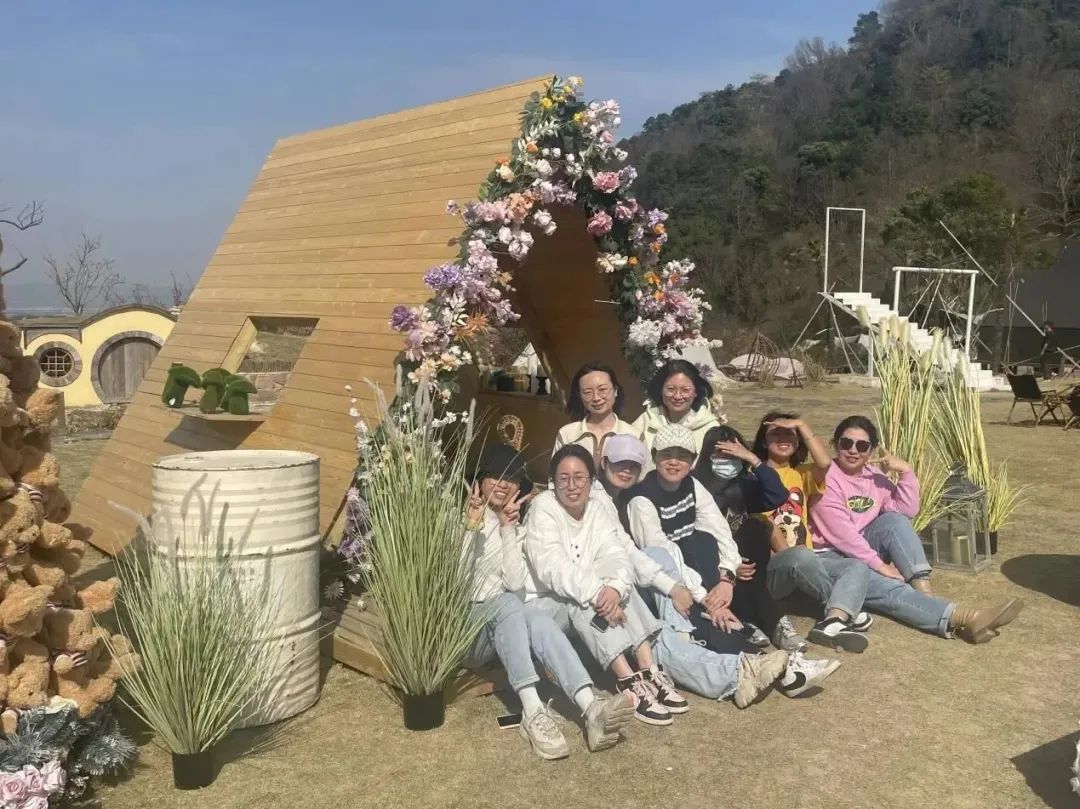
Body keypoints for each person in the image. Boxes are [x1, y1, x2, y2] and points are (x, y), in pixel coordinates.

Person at [599, 433, 834, 702]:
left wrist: (727, 578)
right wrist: (706, 599)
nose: (674, 462)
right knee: (703, 596)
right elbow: (662, 554)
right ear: (654, 458)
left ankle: (771, 663)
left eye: (682, 456)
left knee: (708, 541)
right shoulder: (641, 499)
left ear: (693, 460)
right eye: (666, 455)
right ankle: (779, 669)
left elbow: (719, 529)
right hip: (664, 582)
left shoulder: (692, 485)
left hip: (689, 575)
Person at [461, 444, 635, 759]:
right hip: (468, 630)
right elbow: (455, 578)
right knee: (509, 604)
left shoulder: (512, 525)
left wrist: (507, 530)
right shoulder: (460, 518)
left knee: (541, 614)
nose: (504, 484)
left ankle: (591, 708)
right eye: (496, 476)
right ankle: (532, 709)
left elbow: (515, 582)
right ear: (480, 479)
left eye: (512, 478)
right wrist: (471, 526)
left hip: (505, 623)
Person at [811, 416, 1024, 643]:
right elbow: (843, 536)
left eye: (862, 446)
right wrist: (881, 566)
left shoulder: (873, 477)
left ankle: (925, 595)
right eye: (846, 443)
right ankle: (966, 618)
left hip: (861, 548)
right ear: (835, 444)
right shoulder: (824, 477)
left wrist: (906, 471)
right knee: (886, 587)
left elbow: (906, 510)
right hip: (829, 556)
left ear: (871, 451)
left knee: (894, 521)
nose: (853, 450)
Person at [524, 444, 687, 726]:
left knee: (619, 587)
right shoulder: (544, 508)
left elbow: (616, 554)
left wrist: (614, 589)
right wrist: (600, 593)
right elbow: (553, 568)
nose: (572, 486)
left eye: (580, 478)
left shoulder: (597, 507)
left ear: (591, 480)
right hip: (544, 604)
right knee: (583, 598)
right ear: (553, 482)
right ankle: (626, 679)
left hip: (582, 591)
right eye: (564, 478)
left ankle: (648, 668)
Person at [751, 412, 874, 652]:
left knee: (856, 566)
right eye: (776, 434)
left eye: (790, 434)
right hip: (773, 567)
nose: (783, 438)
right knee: (800, 556)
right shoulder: (754, 476)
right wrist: (788, 556)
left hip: (808, 563)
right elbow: (763, 526)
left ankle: (833, 621)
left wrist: (801, 424)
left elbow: (825, 463)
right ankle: (843, 607)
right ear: (764, 442)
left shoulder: (801, 474)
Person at [694, 425, 806, 652]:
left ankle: (755, 622)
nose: (727, 460)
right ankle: (769, 620)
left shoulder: (743, 484)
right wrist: (728, 566)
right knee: (730, 551)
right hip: (711, 565)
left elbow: (778, 495)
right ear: (708, 455)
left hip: (747, 567)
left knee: (755, 528)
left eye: (733, 454)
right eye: (721, 454)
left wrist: (753, 460)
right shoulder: (695, 486)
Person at [632, 359, 720, 472]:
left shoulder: (711, 428)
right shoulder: (645, 421)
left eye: (685, 390)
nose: (677, 396)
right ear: (660, 390)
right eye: (670, 389)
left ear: (696, 392)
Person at [553, 362, 639, 464]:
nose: (596, 398)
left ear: (615, 390)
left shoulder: (633, 435)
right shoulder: (567, 434)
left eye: (602, 389)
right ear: (580, 396)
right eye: (587, 392)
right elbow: (556, 472)